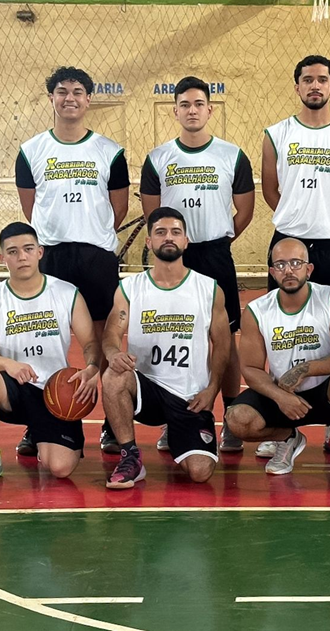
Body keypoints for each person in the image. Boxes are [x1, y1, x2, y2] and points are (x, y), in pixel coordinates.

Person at [15, 65, 130, 456]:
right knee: (44, 340)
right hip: (52, 255)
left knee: (101, 340)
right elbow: (31, 207)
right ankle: (41, 421)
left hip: (96, 256)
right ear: (51, 98)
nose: (70, 98)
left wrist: (90, 231)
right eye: (62, 91)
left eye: (78, 91)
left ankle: (113, 422)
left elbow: (118, 208)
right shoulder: (31, 151)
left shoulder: (109, 151)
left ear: (88, 99)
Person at [141, 76, 255, 454]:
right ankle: (174, 416)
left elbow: (245, 210)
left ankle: (232, 419)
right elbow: (153, 215)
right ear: (175, 111)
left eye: (198, 104)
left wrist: (217, 240)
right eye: (185, 105)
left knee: (226, 338)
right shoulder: (158, 158)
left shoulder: (231, 155)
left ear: (209, 110)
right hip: (175, 258)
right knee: (173, 336)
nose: (192, 110)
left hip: (216, 253)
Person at [261, 55, 330, 456]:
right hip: (288, 240)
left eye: (322, 79)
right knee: (282, 330)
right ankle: (282, 425)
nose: (315, 86)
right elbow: (271, 190)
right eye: (308, 79)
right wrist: (298, 220)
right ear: (297, 87)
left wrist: (328, 218)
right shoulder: (277, 133)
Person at [0, 222, 100, 485]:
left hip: (55, 392)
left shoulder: (66, 293)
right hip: (13, 388)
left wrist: (92, 367)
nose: (21, 257)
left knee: (60, 468)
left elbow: (91, 342)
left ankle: (39, 433)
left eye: (28, 249)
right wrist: (8, 364)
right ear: (2, 258)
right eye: (12, 252)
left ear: (40, 252)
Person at [101, 207, 230, 488]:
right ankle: (130, 456)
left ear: (186, 241)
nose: (168, 237)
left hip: (189, 396)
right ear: (149, 242)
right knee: (113, 376)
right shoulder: (130, 288)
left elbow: (222, 344)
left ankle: (177, 433)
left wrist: (212, 389)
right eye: (160, 232)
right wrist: (113, 354)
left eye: (175, 232)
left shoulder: (209, 289)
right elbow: (112, 331)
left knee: (200, 472)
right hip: (147, 389)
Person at [225, 238, 330, 489]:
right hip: (283, 394)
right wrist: (279, 396)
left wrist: (306, 369)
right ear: (272, 272)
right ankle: (288, 438)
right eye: (280, 265)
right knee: (237, 419)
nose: (288, 270)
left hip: (326, 393)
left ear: (309, 269)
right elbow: (250, 368)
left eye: (296, 263)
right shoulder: (257, 310)